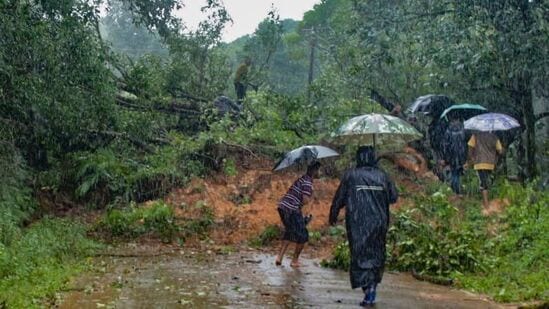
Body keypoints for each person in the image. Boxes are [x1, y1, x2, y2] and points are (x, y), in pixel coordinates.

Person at [329, 146, 398, 307]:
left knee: (359, 255)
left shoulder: (351, 175)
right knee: (376, 254)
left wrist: (333, 215)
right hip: (379, 222)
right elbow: (393, 197)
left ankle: (368, 289)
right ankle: (372, 285)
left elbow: (339, 197)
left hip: (357, 222)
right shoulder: (383, 176)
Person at [275, 161, 321, 268]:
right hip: (291, 209)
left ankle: (279, 258)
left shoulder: (303, 179)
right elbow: (305, 200)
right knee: (303, 235)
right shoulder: (308, 182)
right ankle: (294, 260)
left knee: (290, 232)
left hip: (283, 207)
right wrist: (311, 196)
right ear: (314, 171)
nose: (320, 172)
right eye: (319, 170)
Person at [467, 131, 503, 208]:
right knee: (487, 181)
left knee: (483, 183)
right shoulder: (494, 137)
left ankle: (486, 205)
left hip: (479, 163)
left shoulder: (475, 135)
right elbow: (500, 151)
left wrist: (472, 158)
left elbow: (470, 147)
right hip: (490, 164)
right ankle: (488, 201)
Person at [441, 117, 467, 195]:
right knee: (458, 172)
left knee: (454, 172)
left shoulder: (449, 129)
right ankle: (458, 190)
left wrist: (445, 157)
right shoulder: (463, 129)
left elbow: (446, 144)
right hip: (461, 155)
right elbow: (465, 142)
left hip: (452, 155)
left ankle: (455, 190)